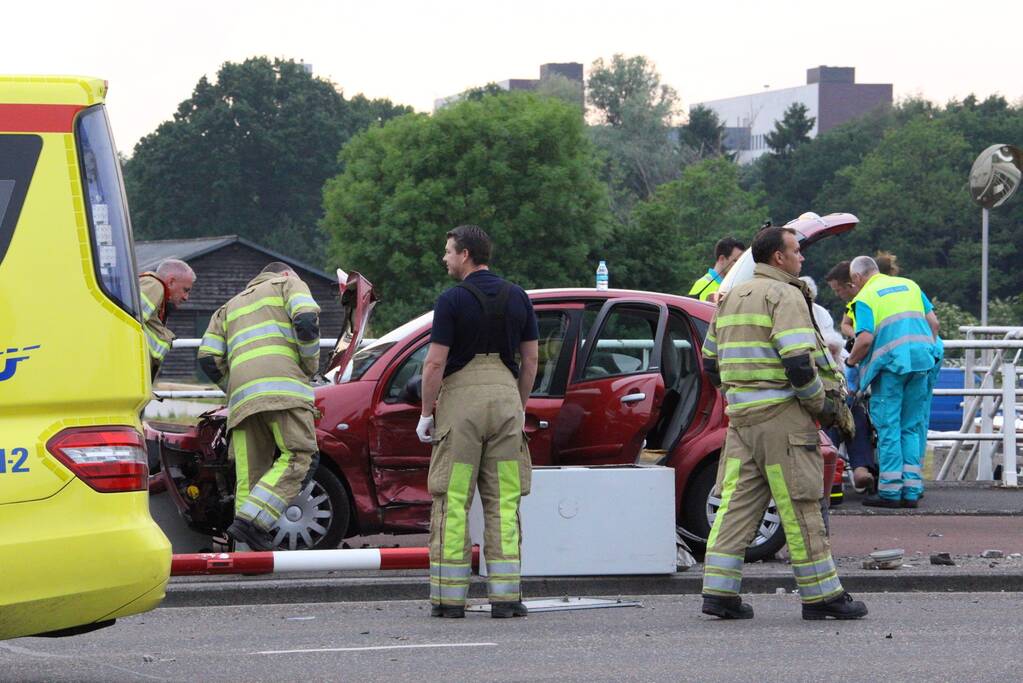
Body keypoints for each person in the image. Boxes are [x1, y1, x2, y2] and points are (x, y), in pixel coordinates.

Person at [700, 226, 866, 621]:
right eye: (796, 250)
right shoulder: (785, 294)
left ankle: (718, 594)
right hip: (783, 419)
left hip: (741, 420)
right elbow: (796, 360)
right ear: (778, 257)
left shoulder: (730, 296)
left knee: (735, 506)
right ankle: (822, 597)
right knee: (801, 504)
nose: (801, 257)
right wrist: (819, 406)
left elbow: (709, 363)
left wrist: (741, 392)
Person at [416, 225, 539, 619]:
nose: (445, 258)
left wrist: (425, 412)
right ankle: (506, 598)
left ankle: (449, 599)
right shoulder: (518, 296)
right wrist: (517, 406)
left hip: (462, 408)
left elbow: (434, 362)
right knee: (504, 500)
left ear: (465, 254)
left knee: (453, 500)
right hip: (506, 401)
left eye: (448, 252)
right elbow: (532, 360)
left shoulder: (452, 300)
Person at [196, 262, 321, 550]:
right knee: (299, 456)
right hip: (285, 390)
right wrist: (309, 365)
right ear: (286, 273)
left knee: (249, 475)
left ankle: (248, 554)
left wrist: (234, 387)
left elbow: (207, 358)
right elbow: (305, 320)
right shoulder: (288, 284)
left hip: (241, 401)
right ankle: (253, 523)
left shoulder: (228, 307)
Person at [846, 256, 939, 508]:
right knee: (910, 427)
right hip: (921, 363)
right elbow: (934, 323)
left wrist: (851, 362)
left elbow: (864, 339)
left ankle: (889, 491)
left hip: (891, 369)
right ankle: (911, 490)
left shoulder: (864, 298)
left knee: (888, 428)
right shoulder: (910, 285)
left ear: (857, 278)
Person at [823, 262, 878, 492]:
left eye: (837, 290)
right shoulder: (863, 301)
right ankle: (860, 467)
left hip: (839, 385)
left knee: (843, 412)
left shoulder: (862, 302)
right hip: (844, 384)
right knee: (850, 413)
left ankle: (832, 469)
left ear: (850, 283)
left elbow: (859, 337)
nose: (837, 295)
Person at [139, 259, 195, 379]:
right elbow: (129, 320)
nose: (186, 297)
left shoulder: (159, 298)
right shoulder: (154, 286)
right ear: (171, 282)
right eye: (185, 290)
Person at [688, 237, 746, 302]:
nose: (739, 266)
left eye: (741, 262)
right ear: (722, 259)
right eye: (736, 261)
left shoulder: (735, 285)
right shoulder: (702, 285)